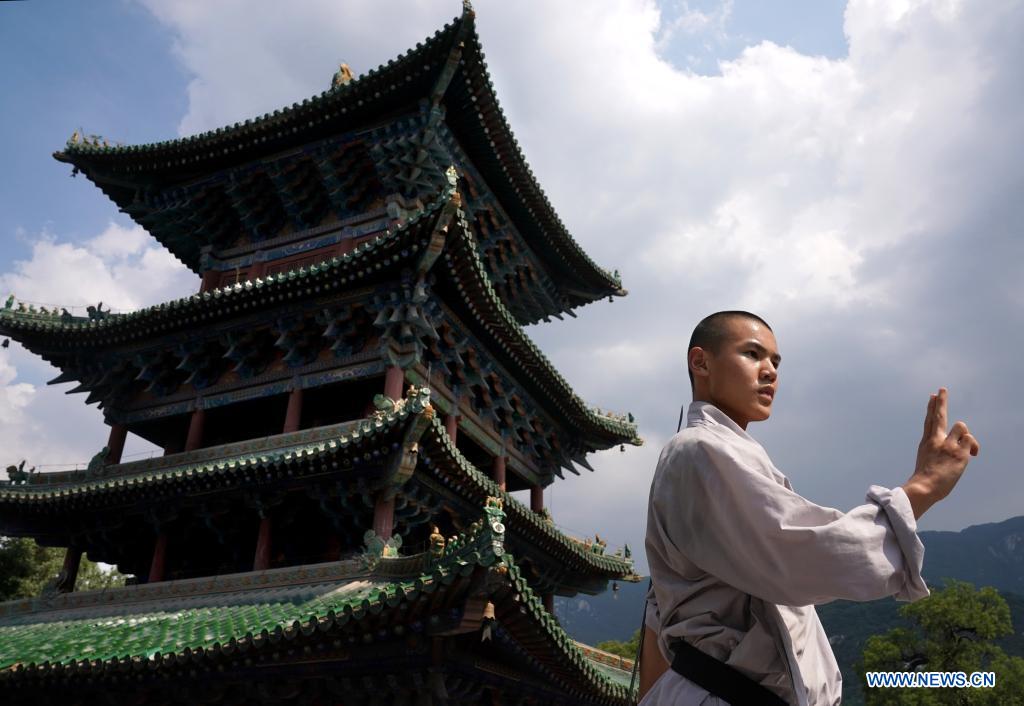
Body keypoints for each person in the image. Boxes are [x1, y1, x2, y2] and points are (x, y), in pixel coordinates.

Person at [639, 311, 979, 705]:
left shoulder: (730, 458)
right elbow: (807, 556)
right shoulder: (697, 451)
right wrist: (923, 488)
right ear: (701, 362)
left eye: (776, 362)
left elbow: (656, 622)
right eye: (752, 354)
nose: (770, 371)